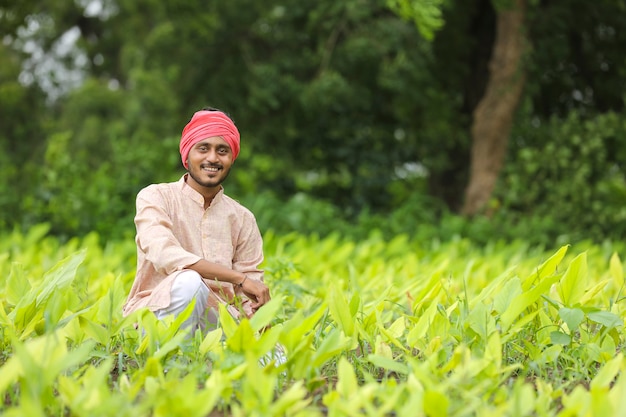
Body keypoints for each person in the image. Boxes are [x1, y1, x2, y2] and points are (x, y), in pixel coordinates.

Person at [122, 107, 271, 334]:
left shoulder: (242, 218)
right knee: (189, 283)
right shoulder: (156, 197)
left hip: (218, 323)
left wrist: (259, 322)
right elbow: (165, 254)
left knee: (278, 360)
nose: (212, 158)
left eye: (222, 150)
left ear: (232, 158)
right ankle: (174, 365)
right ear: (187, 154)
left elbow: (250, 292)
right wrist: (238, 278)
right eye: (203, 148)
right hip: (156, 319)